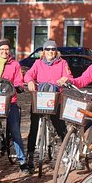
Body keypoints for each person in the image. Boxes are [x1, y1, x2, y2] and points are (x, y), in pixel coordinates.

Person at [0, 39, 31, 175]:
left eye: (6, 49)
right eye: (1, 49)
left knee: (15, 131)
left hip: (10, 101)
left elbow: (19, 80)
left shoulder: (15, 64)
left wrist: (19, 87)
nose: (4, 52)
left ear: (9, 51)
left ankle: (22, 161)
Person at [24, 40, 72, 170]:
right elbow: (29, 74)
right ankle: (30, 156)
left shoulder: (62, 63)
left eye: (53, 49)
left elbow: (69, 76)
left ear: (56, 51)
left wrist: (65, 79)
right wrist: (29, 81)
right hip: (40, 99)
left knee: (60, 127)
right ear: (44, 52)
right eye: (48, 49)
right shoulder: (38, 63)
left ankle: (68, 153)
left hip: (55, 99)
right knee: (33, 127)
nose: (50, 52)